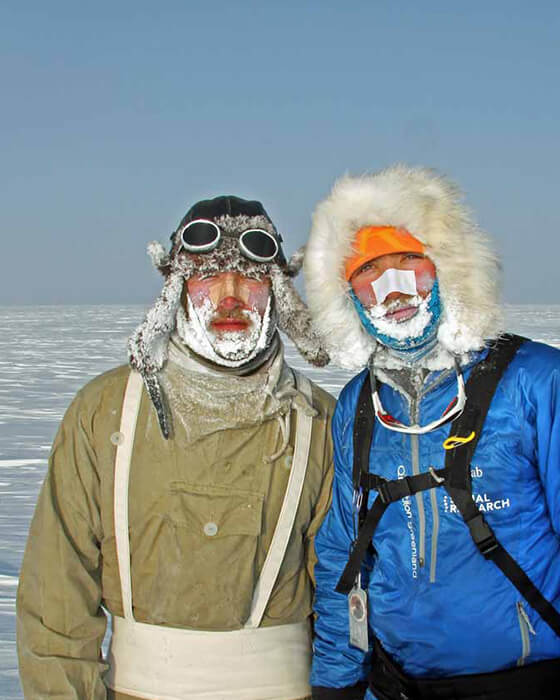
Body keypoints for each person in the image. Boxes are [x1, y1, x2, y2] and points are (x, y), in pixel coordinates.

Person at [303, 166, 560, 700]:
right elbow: (342, 556)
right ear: (346, 295)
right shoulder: (359, 405)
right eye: (368, 270)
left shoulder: (551, 387)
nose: (392, 287)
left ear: (450, 266)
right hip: (395, 687)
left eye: (409, 261)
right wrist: (336, 684)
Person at [16, 195, 335, 700]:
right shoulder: (103, 412)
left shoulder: (320, 422)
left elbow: (346, 604)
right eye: (207, 274)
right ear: (176, 289)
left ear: (277, 291)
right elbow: (55, 599)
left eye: (250, 276)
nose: (230, 295)